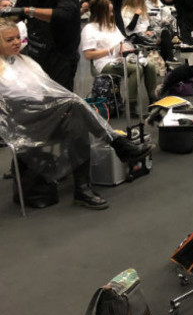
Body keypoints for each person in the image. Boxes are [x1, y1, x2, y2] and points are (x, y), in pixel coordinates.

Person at [0, 18, 151, 210]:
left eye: (17, 38)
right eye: (9, 40)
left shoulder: (26, 62)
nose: (16, 42)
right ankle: (117, 143)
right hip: (24, 125)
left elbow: (47, 91)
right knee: (73, 103)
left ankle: (82, 189)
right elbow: (12, 106)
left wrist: (54, 109)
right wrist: (55, 107)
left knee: (76, 122)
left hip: (47, 116)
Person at [11, 0, 81, 91]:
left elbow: (63, 15)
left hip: (61, 57)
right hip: (35, 54)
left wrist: (28, 11)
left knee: (60, 99)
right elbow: (17, 15)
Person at [81, 0, 158, 117]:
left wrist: (122, 48)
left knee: (150, 66)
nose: (112, 14)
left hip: (120, 59)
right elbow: (88, 55)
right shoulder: (89, 29)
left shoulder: (111, 25)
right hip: (104, 63)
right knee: (136, 69)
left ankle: (153, 102)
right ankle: (131, 106)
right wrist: (110, 51)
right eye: (109, 12)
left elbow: (121, 42)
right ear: (100, 12)